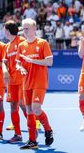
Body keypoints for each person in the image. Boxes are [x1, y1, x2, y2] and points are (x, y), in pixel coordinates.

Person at [16, 18, 54, 149]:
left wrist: (32, 61)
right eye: (23, 28)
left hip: (39, 81)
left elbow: (49, 62)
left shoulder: (43, 43)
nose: (24, 31)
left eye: (27, 28)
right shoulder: (21, 45)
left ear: (34, 29)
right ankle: (32, 140)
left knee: (36, 108)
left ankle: (48, 130)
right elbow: (18, 62)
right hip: (26, 82)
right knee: (29, 111)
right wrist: (20, 67)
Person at [3, 21, 27, 143]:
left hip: (22, 79)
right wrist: (5, 71)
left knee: (24, 105)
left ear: (7, 30)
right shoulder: (7, 46)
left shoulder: (22, 41)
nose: (3, 32)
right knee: (13, 106)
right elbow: (4, 62)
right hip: (12, 81)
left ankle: (33, 128)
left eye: (4, 29)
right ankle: (18, 134)